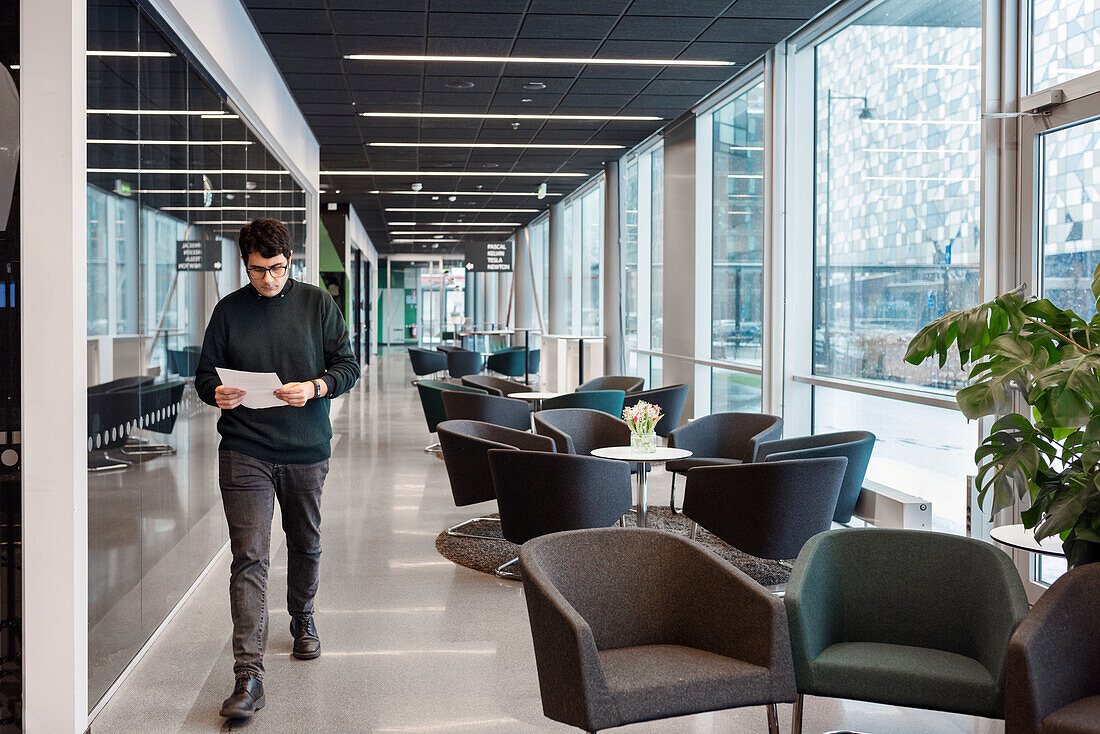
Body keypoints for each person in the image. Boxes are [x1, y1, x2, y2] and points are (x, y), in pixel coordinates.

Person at [195, 218, 360, 720]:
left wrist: (314, 387)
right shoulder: (229, 311)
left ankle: (302, 617)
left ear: (291, 260)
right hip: (244, 448)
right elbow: (205, 375)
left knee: (306, 542)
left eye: (278, 268)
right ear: (245, 263)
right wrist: (215, 393)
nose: (269, 279)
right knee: (250, 557)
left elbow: (347, 366)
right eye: (258, 270)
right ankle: (249, 676)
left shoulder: (316, 304)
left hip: (306, 447)